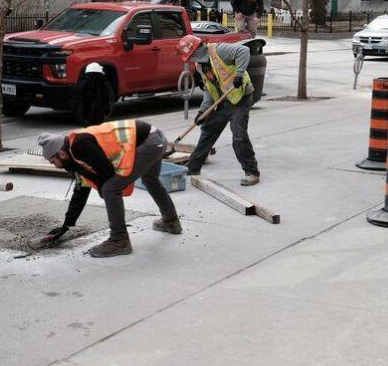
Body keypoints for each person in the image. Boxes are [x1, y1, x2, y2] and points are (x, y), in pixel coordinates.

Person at [37, 120, 181, 258]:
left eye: (53, 161)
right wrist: (66, 225)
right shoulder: (74, 151)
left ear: (61, 154)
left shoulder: (80, 146)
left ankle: (119, 240)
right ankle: (171, 221)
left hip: (148, 143)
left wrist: (102, 189)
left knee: (110, 188)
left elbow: (106, 173)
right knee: (150, 180)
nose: (55, 165)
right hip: (154, 137)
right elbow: (81, 191)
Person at [177, 34, 260, 186]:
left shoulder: (219, 50)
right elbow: (210, 89)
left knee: (239, 134)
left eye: (191, 56)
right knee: (208, 130)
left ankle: (252, 172)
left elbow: (244, 51)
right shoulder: (201, 65)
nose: (190, 60)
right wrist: (203, 112)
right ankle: (193, 166)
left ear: (198, 50)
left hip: (240, 97)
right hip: (224, 101)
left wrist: (239, 74)